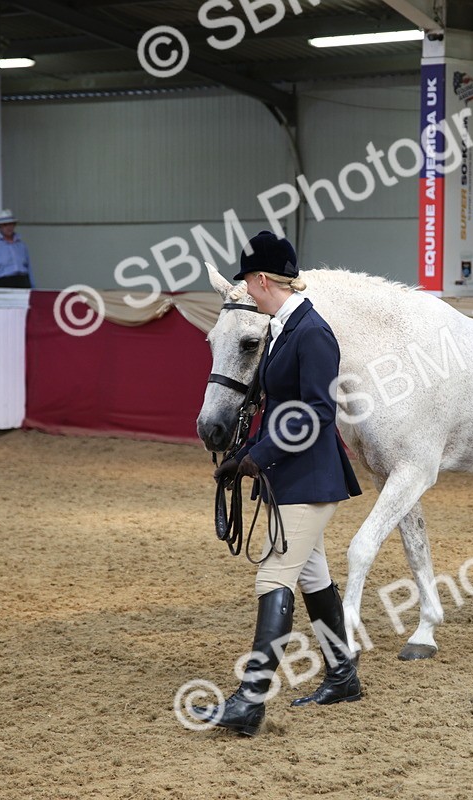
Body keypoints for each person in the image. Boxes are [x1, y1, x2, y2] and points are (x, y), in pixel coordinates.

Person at [198, 230, 363, 736]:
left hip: (310, 479)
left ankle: (250, 701)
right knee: (311, 575)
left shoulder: (312, 333)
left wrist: (260, 458)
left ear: (262, 279)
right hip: (289, 474)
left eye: (248, 281)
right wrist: (245, 454)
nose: (246, 288)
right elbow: (277, 410)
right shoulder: (283, 328)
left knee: (274, 577)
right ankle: (342, 674)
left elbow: (316, 410)